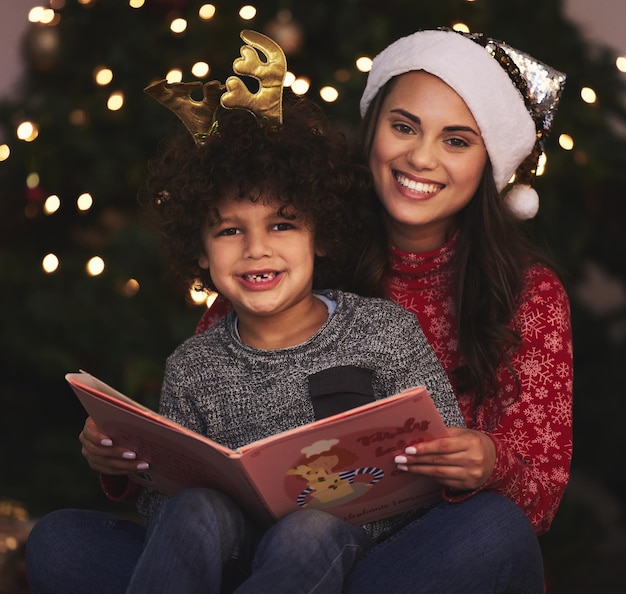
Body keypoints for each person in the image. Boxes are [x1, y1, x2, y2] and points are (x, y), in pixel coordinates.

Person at [25, 30, 465, 594]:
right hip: (233, 558)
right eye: (230, 231)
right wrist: (127, 466)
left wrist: (457, 461)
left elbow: (445, 448)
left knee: (310, 529)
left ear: (320, 236)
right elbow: (167, 515)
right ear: (202, 254)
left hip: (358, 555)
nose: (257, 249)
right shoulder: (194, 364)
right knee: (149, 519)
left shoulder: (383, 330)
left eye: (282, 224)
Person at [196, 28, 574, 593]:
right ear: (372, 131)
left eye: (456, 140)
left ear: (488, 162)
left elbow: (538, 500)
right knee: (64, 542)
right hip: (272, 545)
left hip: (423, 561)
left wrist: (489, 463)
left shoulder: (528, 293)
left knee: (494, 528)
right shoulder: (296, 248)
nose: (420, 157)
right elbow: (212, 369)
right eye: (404, 127)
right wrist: (137, 462)